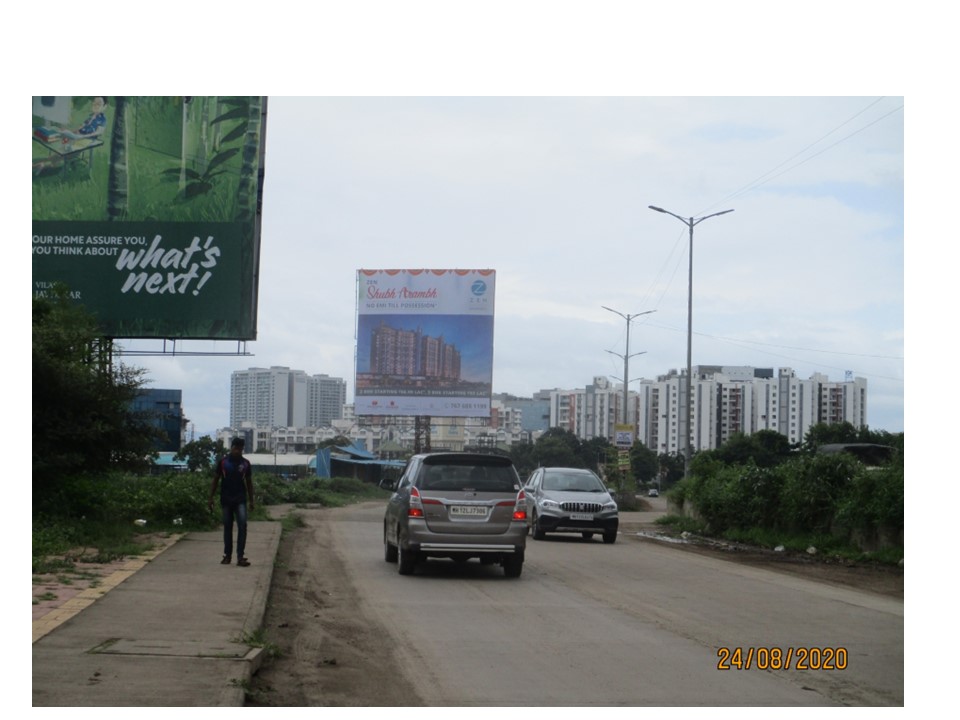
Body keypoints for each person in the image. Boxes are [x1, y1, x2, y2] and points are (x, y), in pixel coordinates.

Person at [209, 437, 255, 567]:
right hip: (226, 499)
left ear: (242, 450)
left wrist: (252, 500)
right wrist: (210, 497)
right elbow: (215, 480)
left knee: (242, 525)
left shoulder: (246, 464)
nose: (237, 451)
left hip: (240, 499)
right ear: (232, 448)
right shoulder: (223, 463)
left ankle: (240, 557)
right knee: (227, 527)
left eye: (240, 449)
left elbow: (249, 483)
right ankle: (227, 556)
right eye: (235, 448)